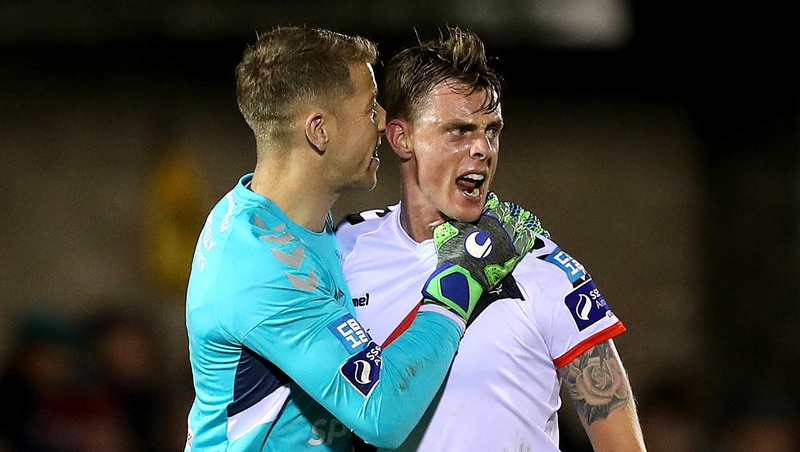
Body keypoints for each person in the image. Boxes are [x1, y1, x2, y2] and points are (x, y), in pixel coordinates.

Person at [184, 26, 540, 452]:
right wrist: (462, 280)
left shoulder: (292, 224)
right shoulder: (258, 268)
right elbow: (381, 413)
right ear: (319, 131)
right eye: (371, 108)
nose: (385, 121)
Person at [336, 27, 647, 451]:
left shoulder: (541, 269)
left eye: (492, 130)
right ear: (401, 137)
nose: (482, 148)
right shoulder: (346, 248)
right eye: (459, 131)